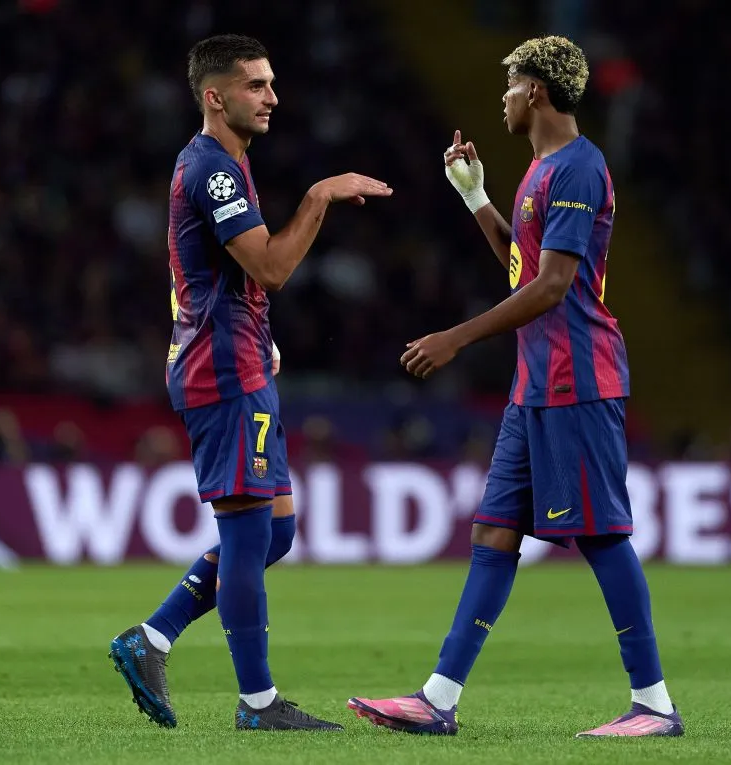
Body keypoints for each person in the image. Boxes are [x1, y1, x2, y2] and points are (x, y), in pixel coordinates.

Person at [347, 36, 683, 738]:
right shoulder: (540, 170)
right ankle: (438, 696)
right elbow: (525, 269)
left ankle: (653, 703)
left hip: (578, 378)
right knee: (496, 532)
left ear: (534, 90)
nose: (500, 98)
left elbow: (555, 287)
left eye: (508, 86)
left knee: (601, 533)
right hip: (536, 384)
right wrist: (476, 199)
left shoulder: (580, 169)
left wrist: (455, 337)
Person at [108, 33, 391, 732]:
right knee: (244, 532)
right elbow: (268, 268)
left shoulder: (228, 161)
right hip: (222, 371)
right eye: (256, 86)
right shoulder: (214, 170)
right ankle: (259, 704)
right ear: (215, 95)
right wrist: (321, 195)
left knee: (278, 529)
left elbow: (223, 280)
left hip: (240, 360)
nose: (272, 97)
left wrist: (261, 333)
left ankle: (154, 636)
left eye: (270, 83)